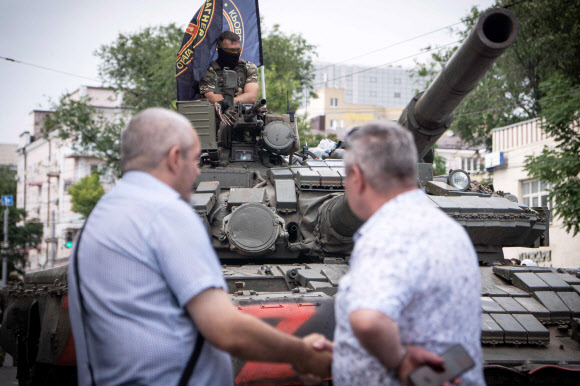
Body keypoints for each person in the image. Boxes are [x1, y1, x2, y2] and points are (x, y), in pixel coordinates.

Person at [67, 108, 331, 385]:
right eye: (195, 161)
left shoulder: (101, 216)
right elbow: (226, 329)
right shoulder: (164, 213)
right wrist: (302, 354)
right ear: (173, 158)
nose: (197, 173)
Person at [332, 121, 484, 385]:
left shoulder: (388, 232)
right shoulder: (449, 229)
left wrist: (400, 360)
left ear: (356, 177)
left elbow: (368, 320)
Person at [199, 31, 259, 106]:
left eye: (237, 50)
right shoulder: (209, 70)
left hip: (243, 114)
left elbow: (251, 97)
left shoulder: (248, 68)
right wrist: (235, 101)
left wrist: (229, 103)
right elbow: (212, 97)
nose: (234, 53)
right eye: (230, 50)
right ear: (219, 49)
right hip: (216, 114)